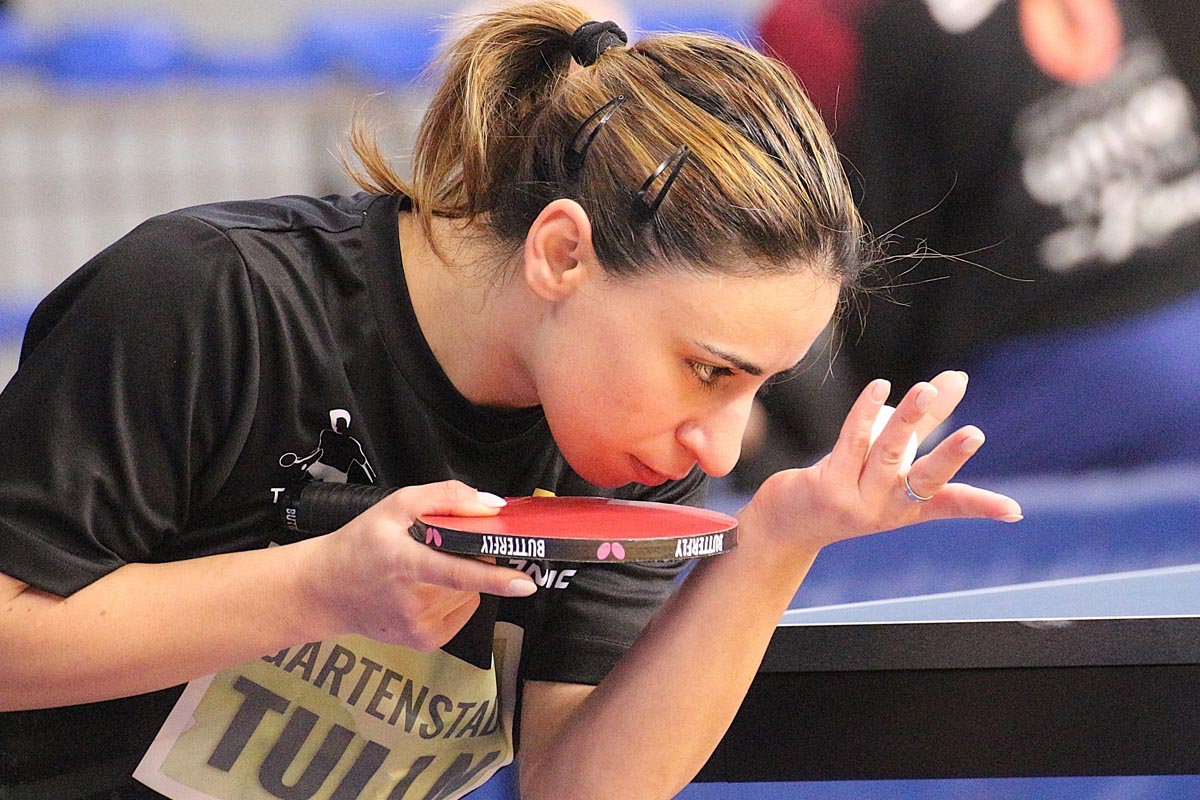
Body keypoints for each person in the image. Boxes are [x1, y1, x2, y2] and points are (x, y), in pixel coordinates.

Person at [0, 3, 1021, 799]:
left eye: (757, 383)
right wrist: (317, 587)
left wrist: (775, 545)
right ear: (563, 252)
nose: (716, 448)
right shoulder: (209, 296)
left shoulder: (620, 437)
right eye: (710, 368)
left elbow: (581, 780)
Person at [748, 0, 1200, 481]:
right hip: (1175, 325)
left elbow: (891, 269)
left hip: (1058, 366)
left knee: (875, 511)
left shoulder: (896, 35)